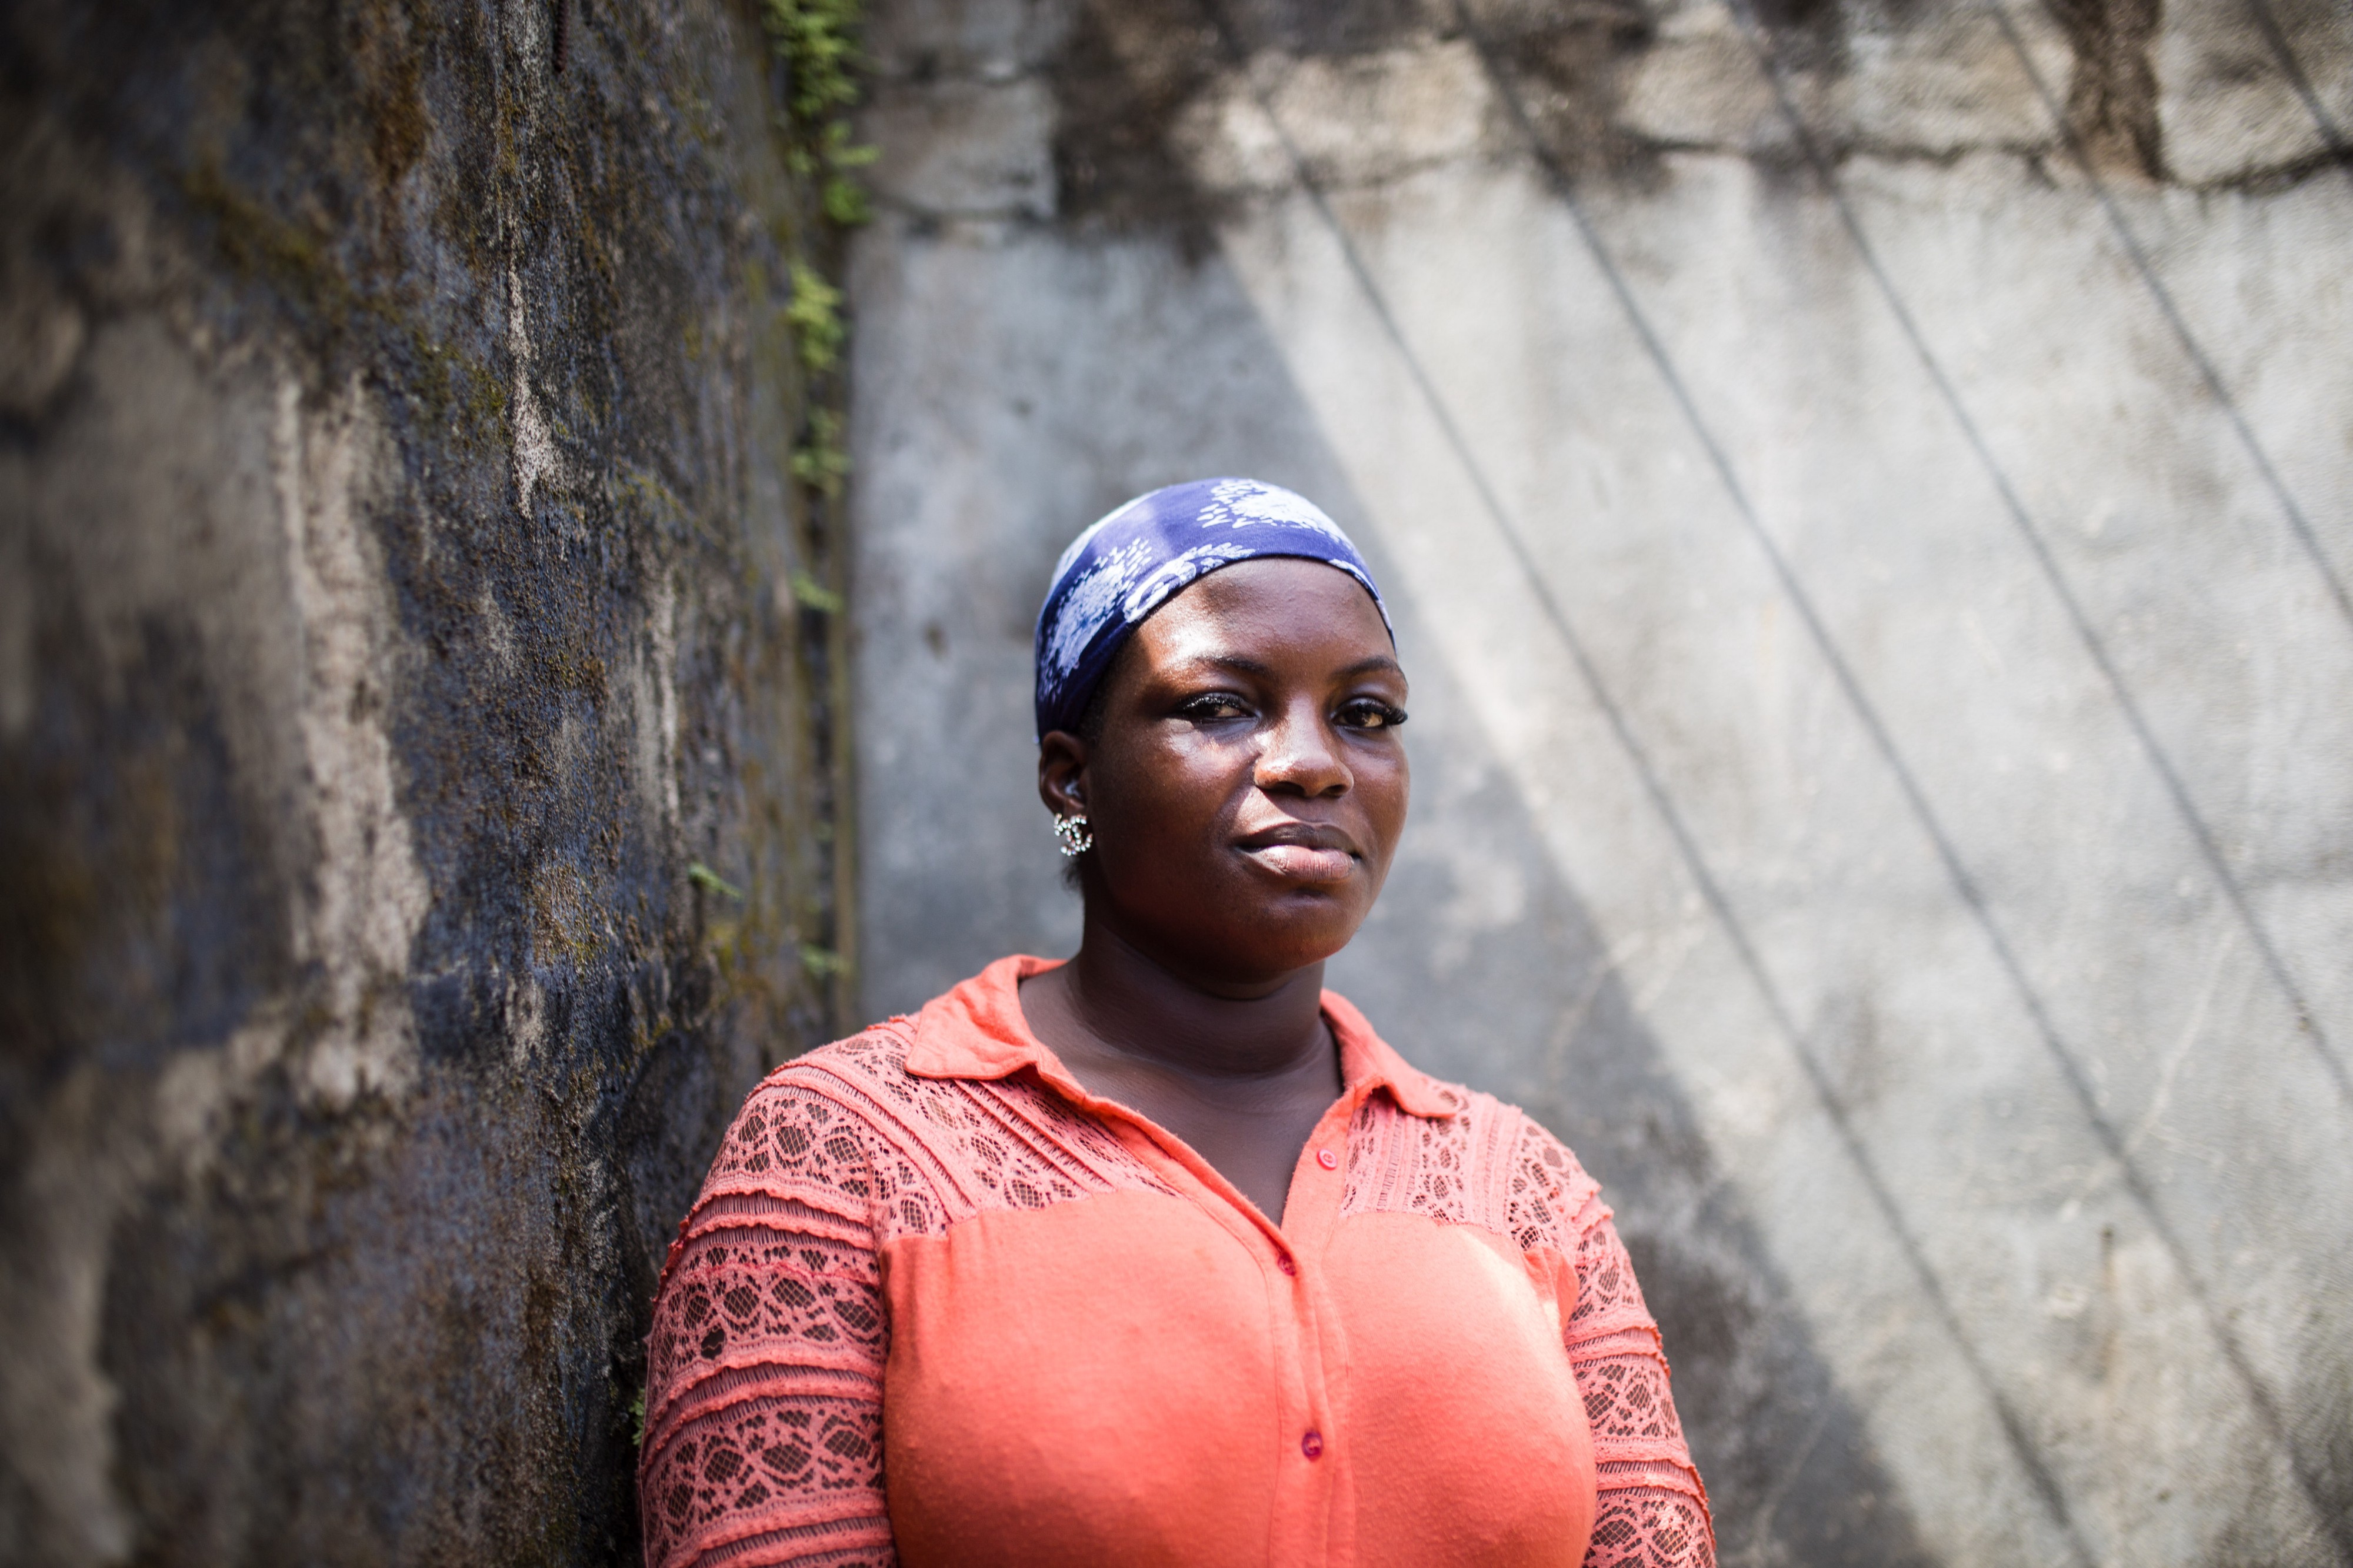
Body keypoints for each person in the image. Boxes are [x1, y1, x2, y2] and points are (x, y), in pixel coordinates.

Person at [636, 479, 1714, 1567]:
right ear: (1073, 780)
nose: (1315, 761)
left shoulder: (1523, 1192)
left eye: (1367, 713)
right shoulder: (849, 1150)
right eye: (1221, 705)